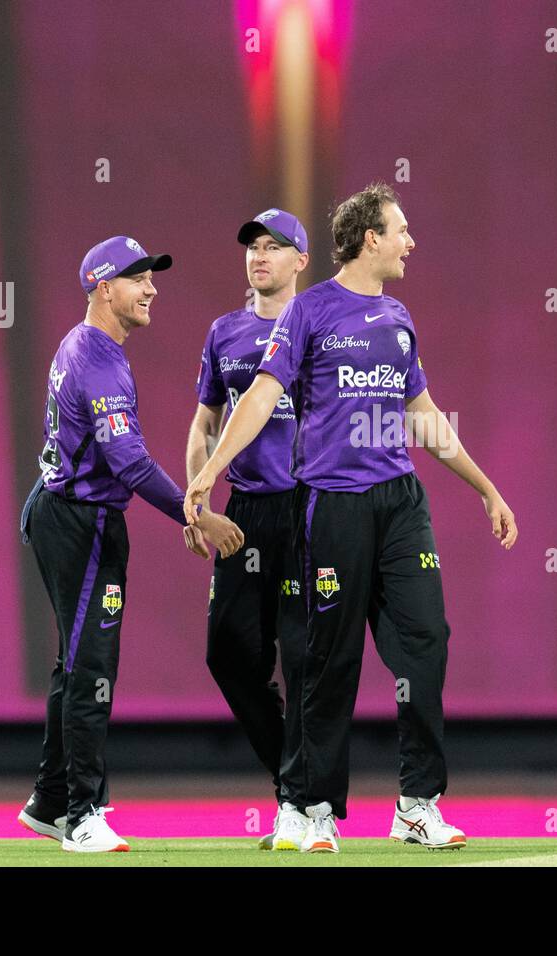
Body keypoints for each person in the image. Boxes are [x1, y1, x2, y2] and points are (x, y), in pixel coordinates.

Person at [184, 183, 518, 853]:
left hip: (400, 502)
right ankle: (309, 807)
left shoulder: (399, 317)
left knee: (427, 641)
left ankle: (418, 803)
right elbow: (258, 397)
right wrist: (210, 469)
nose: (410, 242)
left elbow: (422, 414)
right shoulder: (308, 313)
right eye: (400, 231)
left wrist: (486, 487)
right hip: (331, 505)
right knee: (327, 662)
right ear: (370, 239)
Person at [16, 235, 191, 853]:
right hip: (82, 522)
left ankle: (51, 800)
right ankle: (84, 814)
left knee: (75, 660)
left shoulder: (80, 343)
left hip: (58, 509)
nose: (151, 288)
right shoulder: (99, 358)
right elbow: (129, 462)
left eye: (151, 276)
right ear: (102, 285)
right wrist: (192, 514)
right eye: (138, 277)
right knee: (92, 666)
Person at [185, 209, 308, 849]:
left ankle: (299, 801)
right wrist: (199, 501)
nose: (258, 257)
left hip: (309, 509)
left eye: (273, 247)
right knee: (228, 653)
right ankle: (298, 784)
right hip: (246, 514)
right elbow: (202, 424)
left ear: (301, 261)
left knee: (306, 656)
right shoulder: (224, 333)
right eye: (252, 248)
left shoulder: (320, 329)